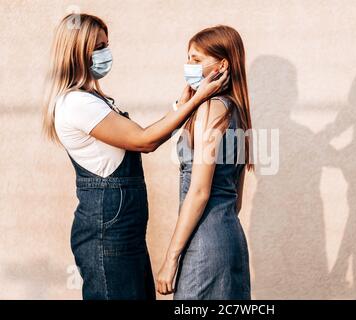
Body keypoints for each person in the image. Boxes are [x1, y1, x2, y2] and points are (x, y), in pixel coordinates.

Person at [42, 13, 228, 300]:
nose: (106, 53)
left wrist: (183, 102)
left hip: (123, 231)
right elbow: (145, 140)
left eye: (107, 45)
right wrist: (196, 101)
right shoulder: (76, 103)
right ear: (78, 52)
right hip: (106, 233)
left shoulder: (94, 100)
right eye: (99, 47)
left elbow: (146, 136)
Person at [156, 25, 252, 300]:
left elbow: (199, 191)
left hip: (205, 244)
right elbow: (236, 199)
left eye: (197, 60)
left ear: (222, 65)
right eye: (188, 58)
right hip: (230, 238)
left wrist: (171, 259)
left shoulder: (212, 109)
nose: (188, 66)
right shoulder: (238, 112)